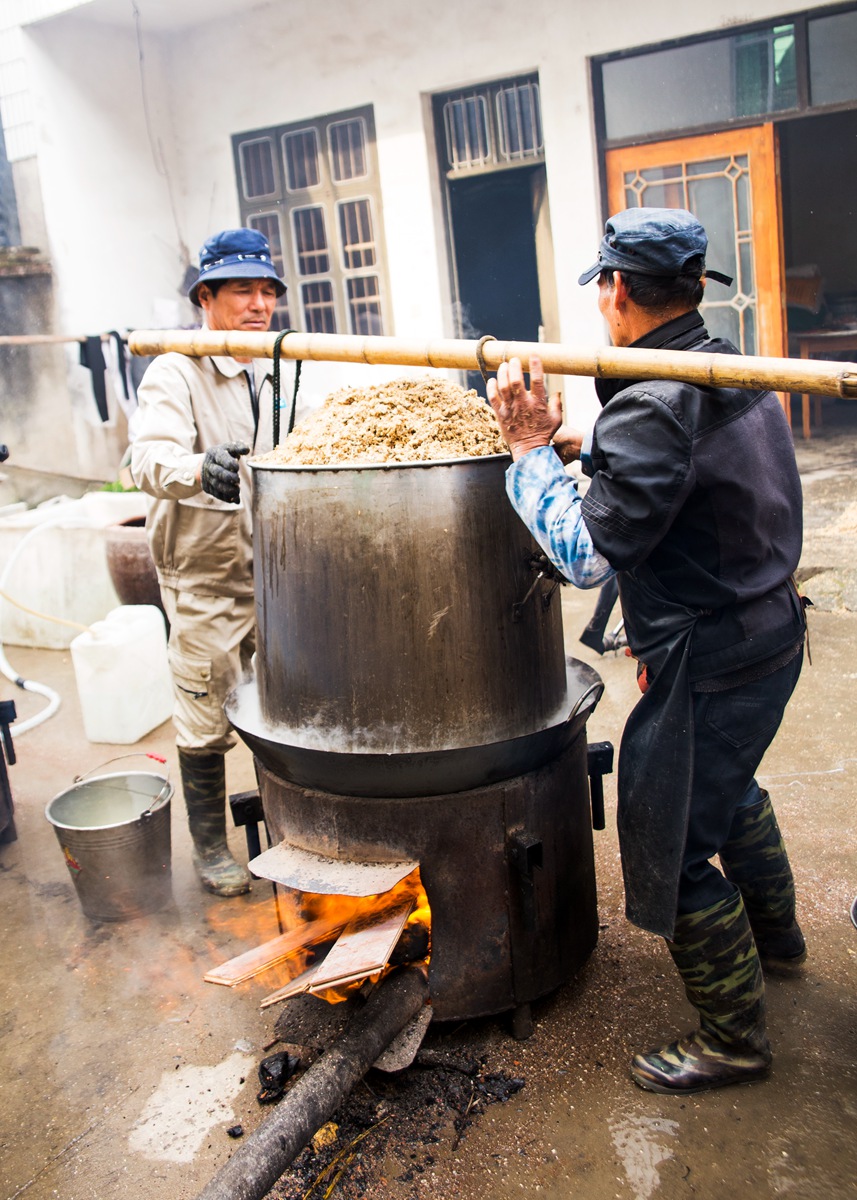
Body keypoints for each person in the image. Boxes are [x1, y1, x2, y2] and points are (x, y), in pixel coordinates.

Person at [487, 207, 807, 1096]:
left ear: (615, 288)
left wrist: (526, 449)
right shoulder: (726, 358)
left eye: (600, 284)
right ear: (696, 288)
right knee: (726, 788)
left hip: (715, 659)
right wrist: (583, 444)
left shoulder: (655, 405)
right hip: (770, 629)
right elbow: (676, 464)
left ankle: (734, 1040)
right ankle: (777, 943)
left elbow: (584, 554)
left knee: (667, 842)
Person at [131, 227, 286, 897]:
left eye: (267, 292)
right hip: (203, 579)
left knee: (282, 703)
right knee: (205, 711)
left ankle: (288, 822)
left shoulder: (269, 367)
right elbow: (147, 460)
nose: (258, 304)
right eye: (242, 290)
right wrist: (201, 467)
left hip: (271, 572)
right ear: (206, 296)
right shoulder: (175, 369)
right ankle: (208, 848)